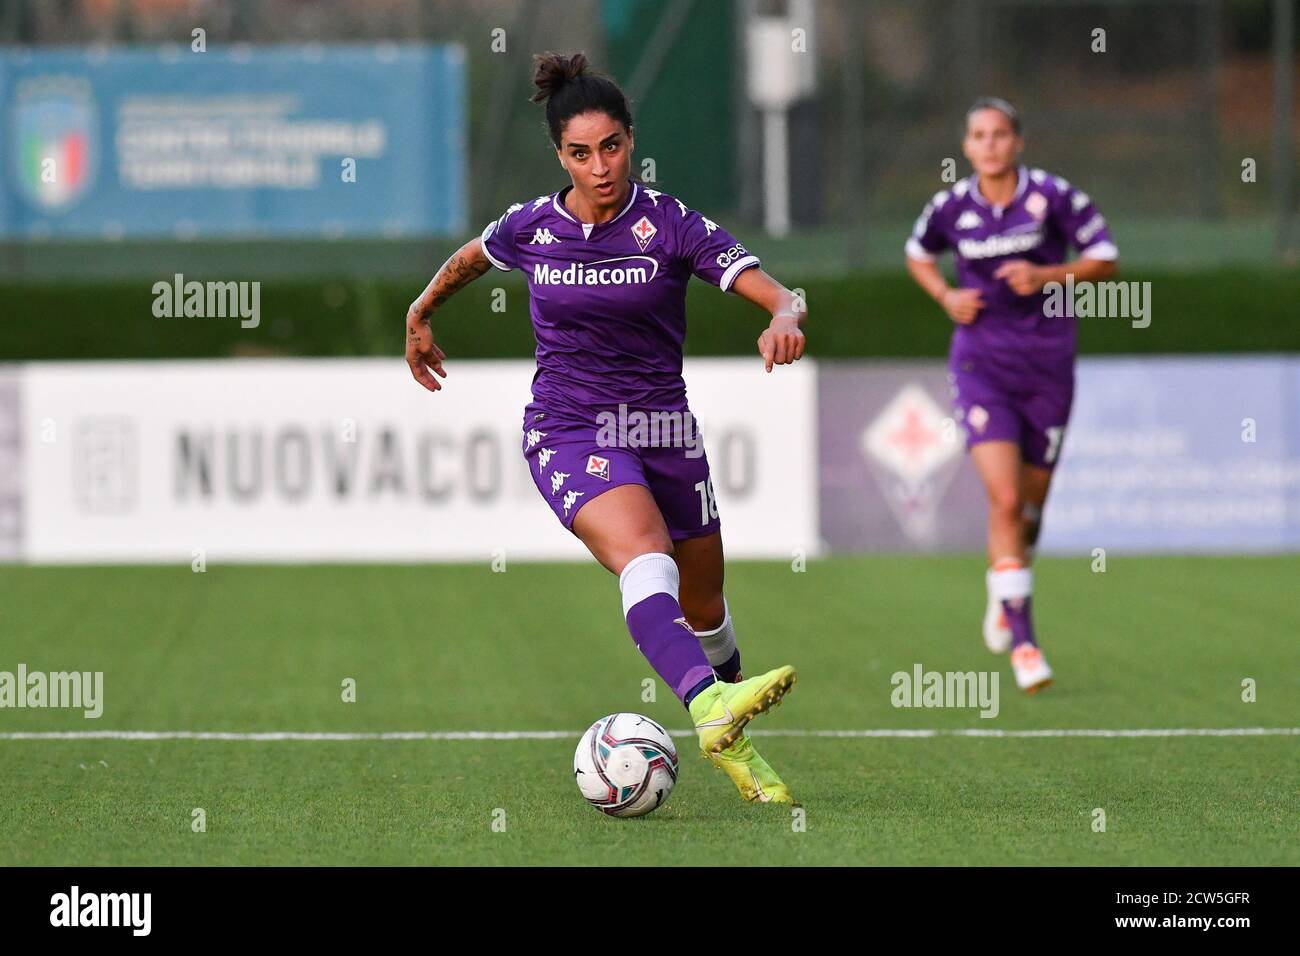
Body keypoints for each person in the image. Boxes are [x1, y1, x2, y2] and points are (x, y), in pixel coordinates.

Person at [405, 52, 808, 803]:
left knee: (708, 609)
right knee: (645, 554)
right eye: (581, 153)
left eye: (612, 147)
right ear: (560, 154)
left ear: (631, 140)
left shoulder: (669, 222)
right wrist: (420, 310)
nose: (599, 166)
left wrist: (785, 317)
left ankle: (728, 728)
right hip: (570, 428)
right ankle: (705, 703)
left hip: (664, 431)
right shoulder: (533, 226)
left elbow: (779, 294)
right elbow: (470, 258)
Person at [904, 97, 1119, 693]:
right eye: (979, 135)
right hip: (981, 366)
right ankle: (1025, 643)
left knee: (1029, 508)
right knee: (1003, 500)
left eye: (1001, 134)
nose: (991, 144)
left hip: (1048, 367)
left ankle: (1005, 589)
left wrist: (1047, 276)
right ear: (967, 147)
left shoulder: (1051, 196)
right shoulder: (951, 206)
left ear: (1017, 142)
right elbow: (918, 252)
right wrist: (946, 297)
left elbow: (1105, 257)